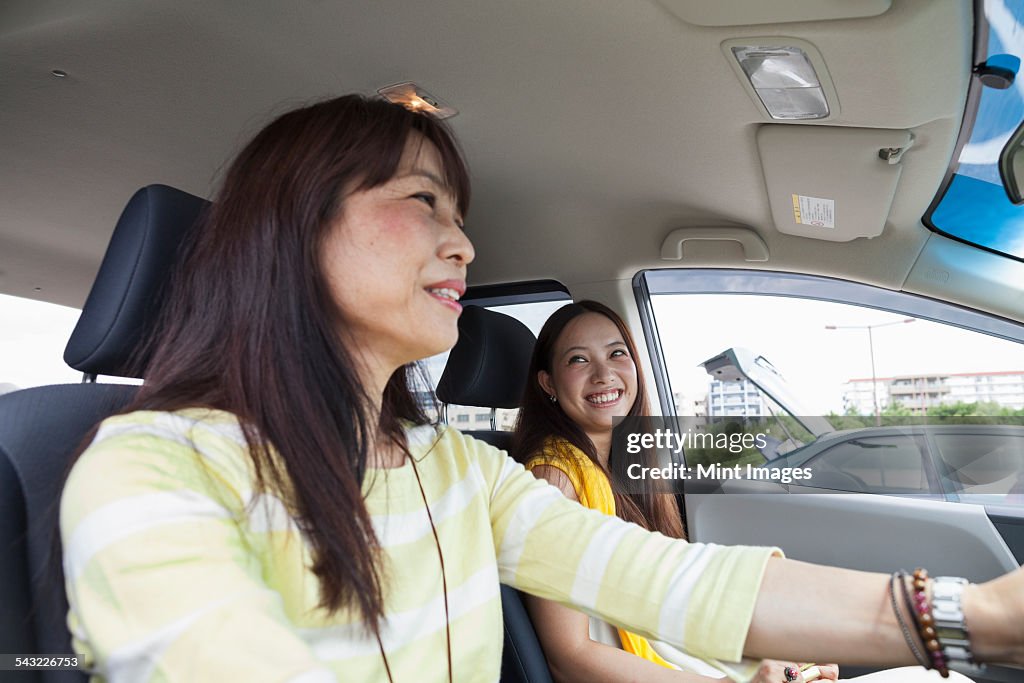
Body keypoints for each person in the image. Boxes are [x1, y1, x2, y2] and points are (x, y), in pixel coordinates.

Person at [59, 94, 1024, 683]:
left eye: (461, 214)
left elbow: (668, 581)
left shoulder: (457, 471)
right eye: (421, 202)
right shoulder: (150, 468)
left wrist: (963, 619)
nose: (464, 242)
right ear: (293, 232)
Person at [511, 300, 981, 682]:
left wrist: (780, 662)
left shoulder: (620, 466)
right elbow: (569, 655)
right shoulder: (553, 480)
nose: (604, 374)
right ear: (548, 383)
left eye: (617, 353)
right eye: (578, 359)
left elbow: (672, 604)